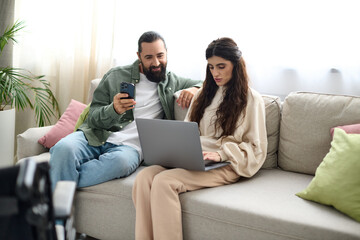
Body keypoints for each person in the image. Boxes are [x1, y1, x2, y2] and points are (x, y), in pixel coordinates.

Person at [132, 37, 268, 240]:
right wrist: (175, 150)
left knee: (164, 182)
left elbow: (256, 148)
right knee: (144, 178)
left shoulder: (252, 99)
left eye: (221, 66)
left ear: (236, 65)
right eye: (211, 67)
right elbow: (188, 132)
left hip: (227, 163)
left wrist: (220, 154)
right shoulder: (203, 94)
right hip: (195, 157)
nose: (216, 73)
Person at [49, 31, 202, 190]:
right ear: (139, 56)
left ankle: (54, 180)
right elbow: (93, 118)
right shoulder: (115, 75)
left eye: (160, 55)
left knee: (121, 164)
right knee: (63, 148)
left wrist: (195, 88)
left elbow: (207, 81)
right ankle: (57, 184)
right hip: (96, 135)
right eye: (149, 57)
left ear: (167, 53)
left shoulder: (173, 81)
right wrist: (113, 110)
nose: (156, 63)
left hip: (130, 148)